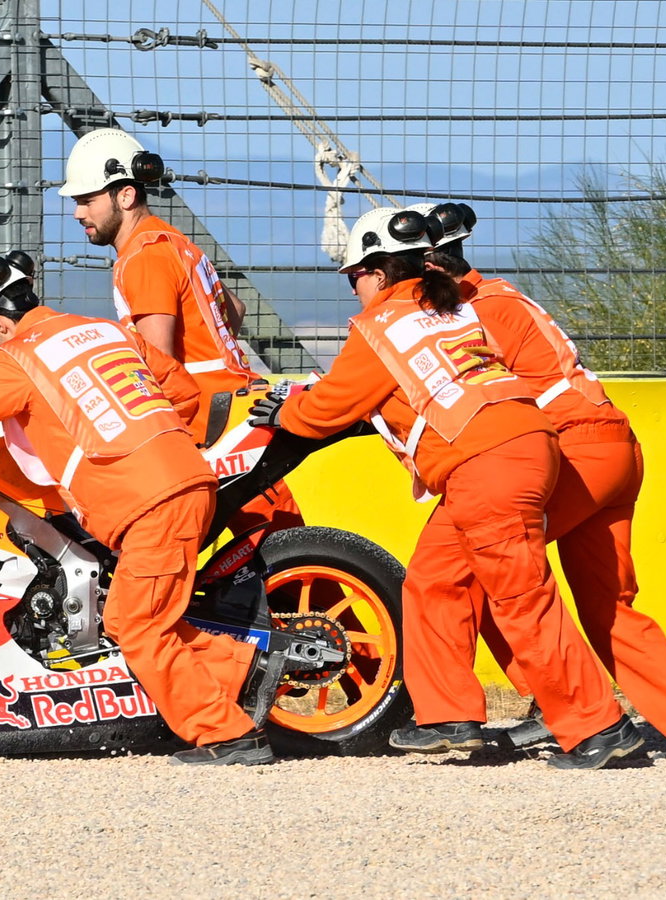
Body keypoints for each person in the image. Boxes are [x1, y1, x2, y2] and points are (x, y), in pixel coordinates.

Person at [0, 251, 294, 766]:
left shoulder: (21, 358)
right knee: (139, 617)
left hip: (146, 500)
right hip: (184, 480)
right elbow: (183, 393)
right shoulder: (104, 331)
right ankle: (248, 665)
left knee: (137, 625)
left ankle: (230, 736)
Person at [248, 206, 641, 769]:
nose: (353, 287)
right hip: (526, 444)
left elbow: (328, 408)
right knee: (433, 579)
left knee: (522, 597)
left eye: (354, 275)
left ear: (378, 273)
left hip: (487, 465)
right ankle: (448, 717)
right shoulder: (450, 307)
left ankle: (599, 728)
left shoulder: (382, 325)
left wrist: (287, 410)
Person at [411, 201, 666, 760]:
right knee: (607, 603)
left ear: (426, 266)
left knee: (470, 562)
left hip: (570, 447)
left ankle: (518, 708)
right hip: (614, 444)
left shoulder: (465, 313)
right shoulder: (498, 296)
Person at [56, 128, 304, 532]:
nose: (77, 213)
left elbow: (157, 360)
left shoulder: (144, 257)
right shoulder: (175, 242)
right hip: (238, 408)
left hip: (206, 421)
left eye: (87, 200)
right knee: (278, 542)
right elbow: (234, 310)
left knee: (264, 550)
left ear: (125, 195)